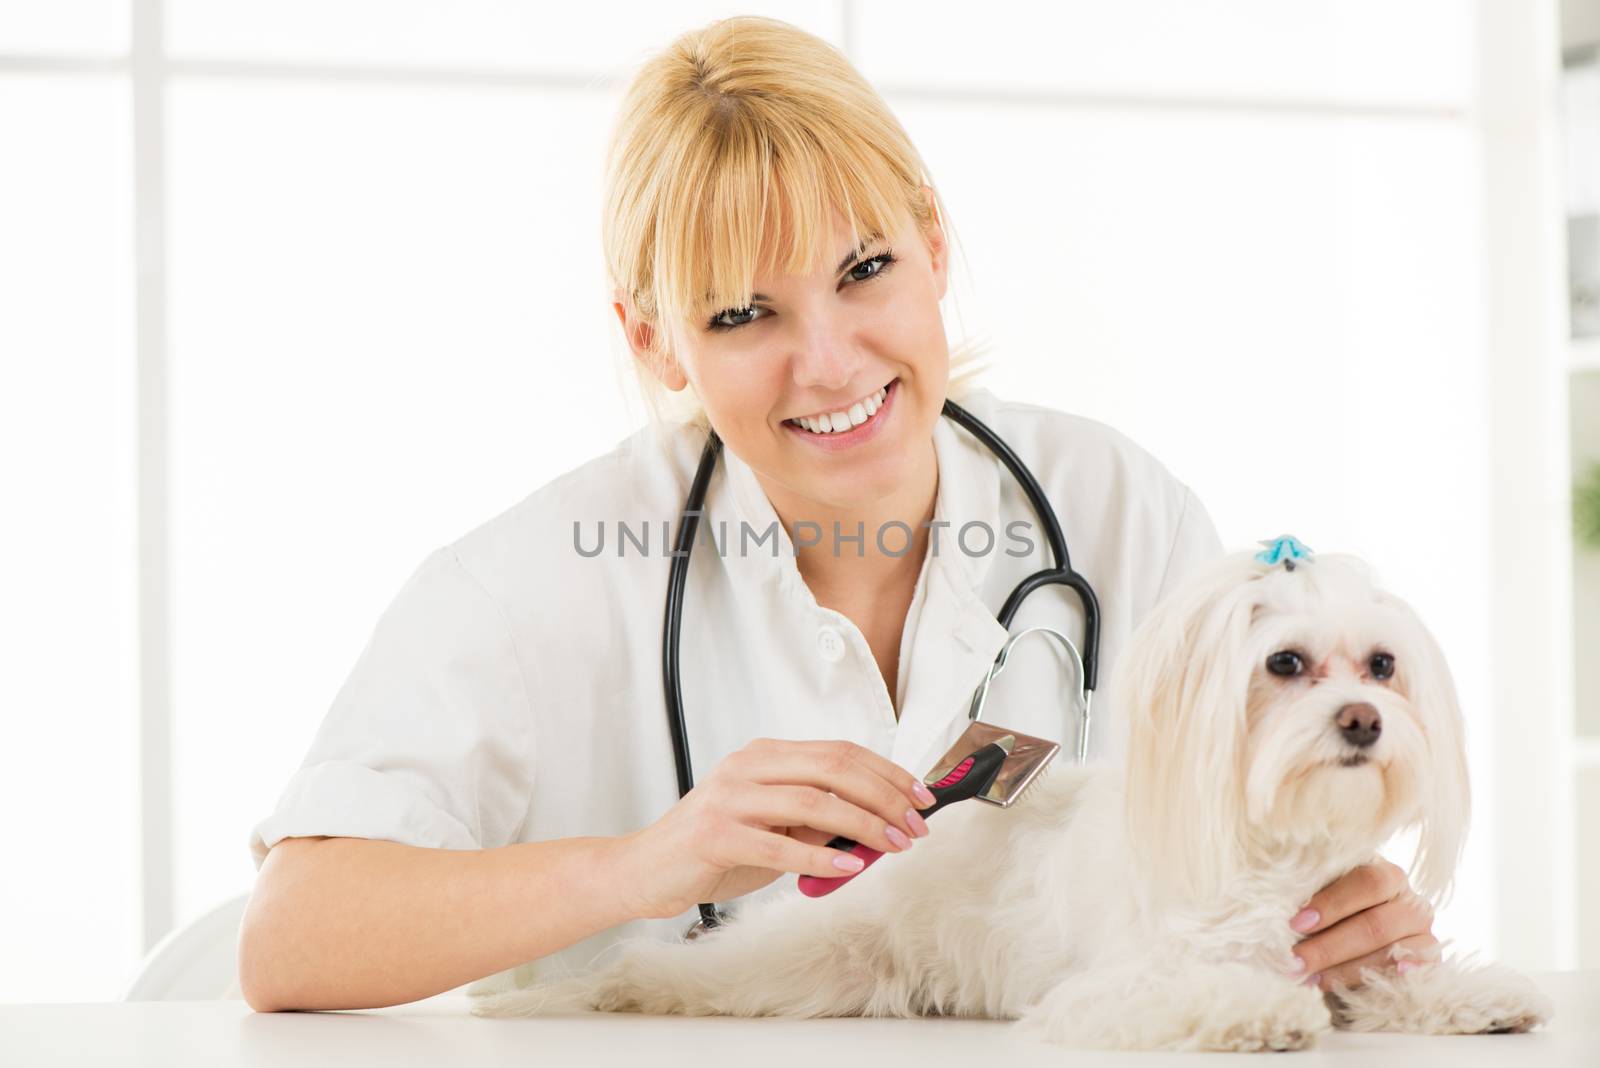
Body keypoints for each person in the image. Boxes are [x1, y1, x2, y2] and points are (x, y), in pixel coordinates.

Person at [237, 15, 1438, 1014]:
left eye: (865, 271)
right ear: (650, 340)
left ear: (931, 240)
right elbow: (292, 942)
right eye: (740, 315)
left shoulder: (1111, 507)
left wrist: (1339, 907)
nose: (828, 364)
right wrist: (644, 867)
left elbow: (1233, 851)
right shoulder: (534, 582)